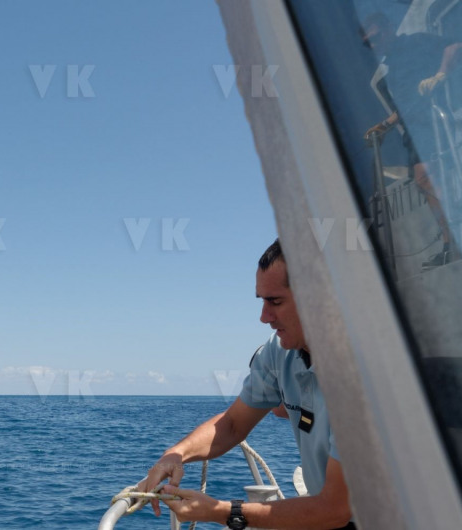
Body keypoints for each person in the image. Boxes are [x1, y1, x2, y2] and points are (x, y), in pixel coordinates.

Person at [140, 240, 353, 529]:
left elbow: (336, 508)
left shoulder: (365, 376)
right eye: (262, 301)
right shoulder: (279, 352)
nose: (264, 317)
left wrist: (224, 512)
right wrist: (175, 455)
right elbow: (232, 425)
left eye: (275, 302)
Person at [362, 13, 462, 269]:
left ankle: (455, 240)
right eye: (369, 43)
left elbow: (454, 45)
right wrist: (384, 126)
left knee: (431, 178)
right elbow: (404, 107)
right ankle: (451, 243)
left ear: (387, 28)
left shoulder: (417, 42)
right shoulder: (390, 70)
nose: (375, 45)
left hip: (435, 121)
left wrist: (440, 74)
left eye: (376, 37)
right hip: (414, 128)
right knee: (423, 180)